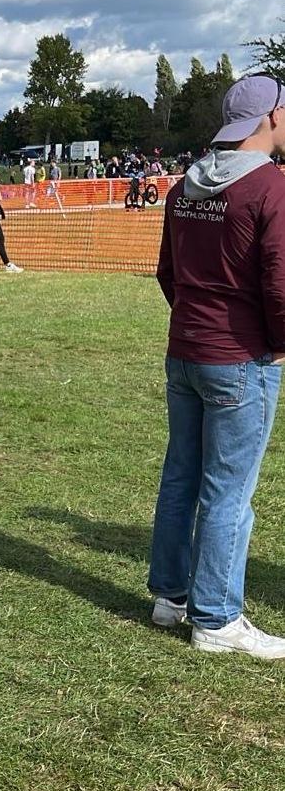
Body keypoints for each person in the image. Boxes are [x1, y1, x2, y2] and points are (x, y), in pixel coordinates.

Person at [150, 73, 285, 660]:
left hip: (186, 352)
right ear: (269, 119)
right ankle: (217, 617)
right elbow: (280, 281)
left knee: (182, 475)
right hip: (240, 358)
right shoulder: (269, 187)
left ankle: (169, 595)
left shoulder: (185, 185)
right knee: (230, 489)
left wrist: (196, 321)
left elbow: (167, 273)